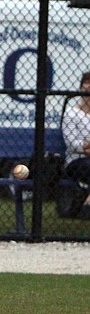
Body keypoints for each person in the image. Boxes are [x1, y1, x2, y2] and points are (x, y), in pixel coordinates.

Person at [61, 71, 90, 220]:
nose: (88, 87)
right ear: (80, 88)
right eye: (86, 84)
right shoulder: (71, 114)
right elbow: (73, 144)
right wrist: (85, 147)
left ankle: (87, 203)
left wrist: (86, 145)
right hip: (76, 161)